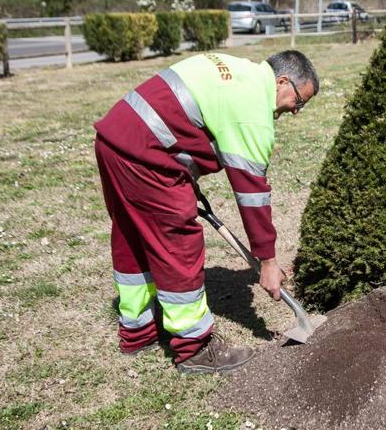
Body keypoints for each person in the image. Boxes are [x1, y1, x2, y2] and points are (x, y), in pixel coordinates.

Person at [94, 49, 319, 373]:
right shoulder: (253, 109)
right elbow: (252, 195)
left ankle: (137, 330)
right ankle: (194, 348)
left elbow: (185, 119)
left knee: (133, 237)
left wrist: (182, 170)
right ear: (282, 81)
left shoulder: (237, 68)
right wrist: (268, 262)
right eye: (299, 100)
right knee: (177, 244)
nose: (296, 111)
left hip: (114, 140)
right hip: (147, 157)